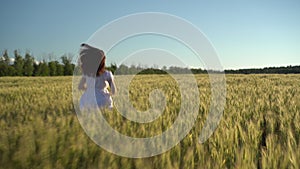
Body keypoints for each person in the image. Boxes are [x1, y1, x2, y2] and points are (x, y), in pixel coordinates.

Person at [78, 43, 116, 109]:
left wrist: (90, 89)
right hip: (103, 100)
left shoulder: (86, 74)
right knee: (107, 106)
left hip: (88, 100)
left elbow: (80, 87)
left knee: (85, 109)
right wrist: (107, 94)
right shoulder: (107, 74)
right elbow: (113, 91)